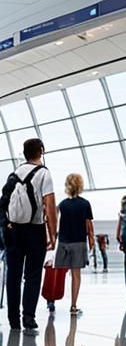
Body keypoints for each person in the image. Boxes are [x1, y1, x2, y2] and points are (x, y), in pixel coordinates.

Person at [3, 139, 56, 335]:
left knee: (13, 275)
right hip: (35, 230)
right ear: (41, 151)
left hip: (13, 230)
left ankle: (13, 319)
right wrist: (53, 235)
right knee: (33, 275)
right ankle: (29, 317)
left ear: (24, 153)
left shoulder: (14, 174)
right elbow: (49, 206)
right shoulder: (44, 173)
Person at [53, 173, 94, 317]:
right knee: (76, 275)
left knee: (59, 271)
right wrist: (91, 240)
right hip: (78, 243)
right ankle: (73, 305)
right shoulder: (85, 204)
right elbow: (89, 225)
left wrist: (53, 238)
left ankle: (51, 299)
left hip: (63, 242)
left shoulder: (62, 204)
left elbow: (55, 221)